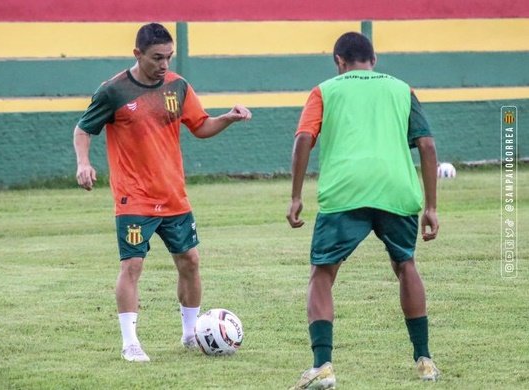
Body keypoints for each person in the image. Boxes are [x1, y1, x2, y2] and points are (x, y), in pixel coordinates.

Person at [73, 22, 252, 362]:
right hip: (134, 198)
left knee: (190, 261)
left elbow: (200, 126)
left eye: (169, 57)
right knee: (133, 266)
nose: (164, 64)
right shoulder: (114, 91)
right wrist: (83, 163)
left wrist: (227, 118)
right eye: (157, 57)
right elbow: (83, 130)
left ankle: (189, 335)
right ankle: (130, 343)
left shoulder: (178, 87)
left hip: (173, 196)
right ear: (137, 54)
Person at [286, 32, 440, 389]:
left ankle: (322, 366)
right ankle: (425, 360)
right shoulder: (402, 89)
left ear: (339, 61)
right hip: (397, 188)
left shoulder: (325, 90)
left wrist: (295, 196)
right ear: (374, 59)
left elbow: (303, 139)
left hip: (346, 190)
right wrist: (431, 206)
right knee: (406, 265)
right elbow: (428, 146)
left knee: (322, 274)